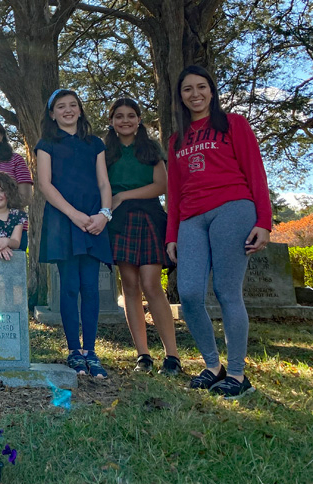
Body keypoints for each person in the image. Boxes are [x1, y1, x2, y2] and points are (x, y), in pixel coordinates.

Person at [166, 66, 271, 398]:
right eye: (187, 89)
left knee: (227, 292)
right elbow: (174, 189)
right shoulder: (176, 139)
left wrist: (264, 222)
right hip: (191, 219)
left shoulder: (233, 124)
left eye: (201, 87)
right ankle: (213, 366)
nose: (195, 94)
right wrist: (172, 235)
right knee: (190, 293)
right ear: (180, 97)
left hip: (233, 208)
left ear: (211, 91)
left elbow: (255, 171)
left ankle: (238, 374)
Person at [36, 89, 113, 379]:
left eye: (72, 105)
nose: (67, 110)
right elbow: (45, 184)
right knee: (69, 287)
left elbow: (104, 183)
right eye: (60, 106)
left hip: (94, 220)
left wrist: (103, 215)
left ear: (80, 110)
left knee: (90, 288)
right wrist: (74, 215)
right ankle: (73, 351)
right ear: (52, 114)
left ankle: (90, 352)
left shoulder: (95, 144)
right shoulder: (47, 144)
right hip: (63, 220)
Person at [104, 98, 180, 375]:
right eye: (119, 116)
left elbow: (161, 185)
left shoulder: (150, 148)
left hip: (147, 217)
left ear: (139, 120)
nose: (125, 120)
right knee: (130, 285)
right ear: (111, 121)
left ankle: (172, 356)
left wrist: (123, 194)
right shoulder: (105, 151)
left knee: (151, 283)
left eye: (131, 116)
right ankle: (143, 355)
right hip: (119, 222)